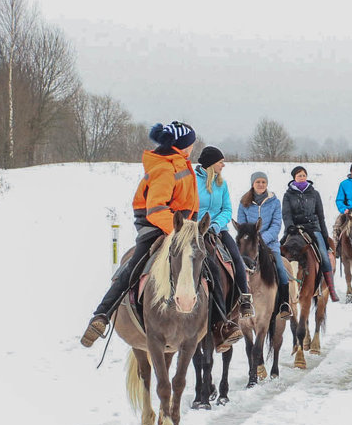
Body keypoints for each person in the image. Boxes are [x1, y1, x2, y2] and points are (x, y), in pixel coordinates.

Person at [80, 122, 242, 351]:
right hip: (155, 224)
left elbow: (188, 205)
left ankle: (220, 324)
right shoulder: (164, 169)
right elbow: (156, 208)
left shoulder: (181, 164)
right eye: (192, 143)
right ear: (182, 145)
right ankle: (102, 315)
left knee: (211, 266)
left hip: (184, 226)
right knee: (135, 266)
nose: (193, 147)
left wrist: (191, 229)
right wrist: (179, 232)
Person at [194, 146, 255, 318]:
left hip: (218, 229)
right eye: (221, 162)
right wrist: (199, 226)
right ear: (211, 163)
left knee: (236, 258)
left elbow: (227, 209)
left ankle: (244, 298)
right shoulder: (191, 181)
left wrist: (216, 224)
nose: (223, 165)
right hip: (196, 230)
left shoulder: (222, 183)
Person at [237, 171, 292, 320]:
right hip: (248, 245)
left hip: (270, 243)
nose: (261, 185)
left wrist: (262, 240)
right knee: (238, 268)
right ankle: (238, 303)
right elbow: (241, 225)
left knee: (281, 268)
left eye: (263, 182)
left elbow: (276, 224)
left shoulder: (274, 202)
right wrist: (251, 241)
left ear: (267, 184)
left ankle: (284, 303)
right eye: (258, 182)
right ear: (252, 184)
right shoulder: (244, 202)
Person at [281, 166, 340, 302]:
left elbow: (320, 215)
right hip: (294, 230)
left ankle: (330, 288)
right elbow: (286, 214)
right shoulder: (288, 195)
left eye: (303, 175)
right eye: (299, 176)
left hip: (313, 228)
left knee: (324, 258)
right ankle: (282, 291)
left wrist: (324, 236)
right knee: (280, 255)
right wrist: (290, 227)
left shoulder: (314, 193)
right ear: (294, 178)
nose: (301, 178)